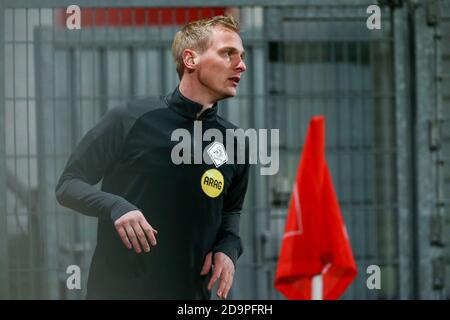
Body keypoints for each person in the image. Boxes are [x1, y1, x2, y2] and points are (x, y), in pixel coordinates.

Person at [55, 15, 250, 300]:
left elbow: (231, 213)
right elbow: (68, 184)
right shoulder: (129, 120)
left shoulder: (235, 142)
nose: (241, 65)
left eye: (242, 56)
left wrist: (228, 249)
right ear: (190, 60)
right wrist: (115, 206)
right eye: (227, 53)